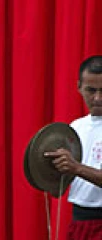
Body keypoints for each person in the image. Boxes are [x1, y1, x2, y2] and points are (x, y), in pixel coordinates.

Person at [45, 55, 102, 239]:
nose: (97, 98)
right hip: (80, 222)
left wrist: (76, 167)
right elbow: (58, 190)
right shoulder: (75, 128)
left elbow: (75, 169)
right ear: (79, 87)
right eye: (91, 90)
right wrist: (51, 174)